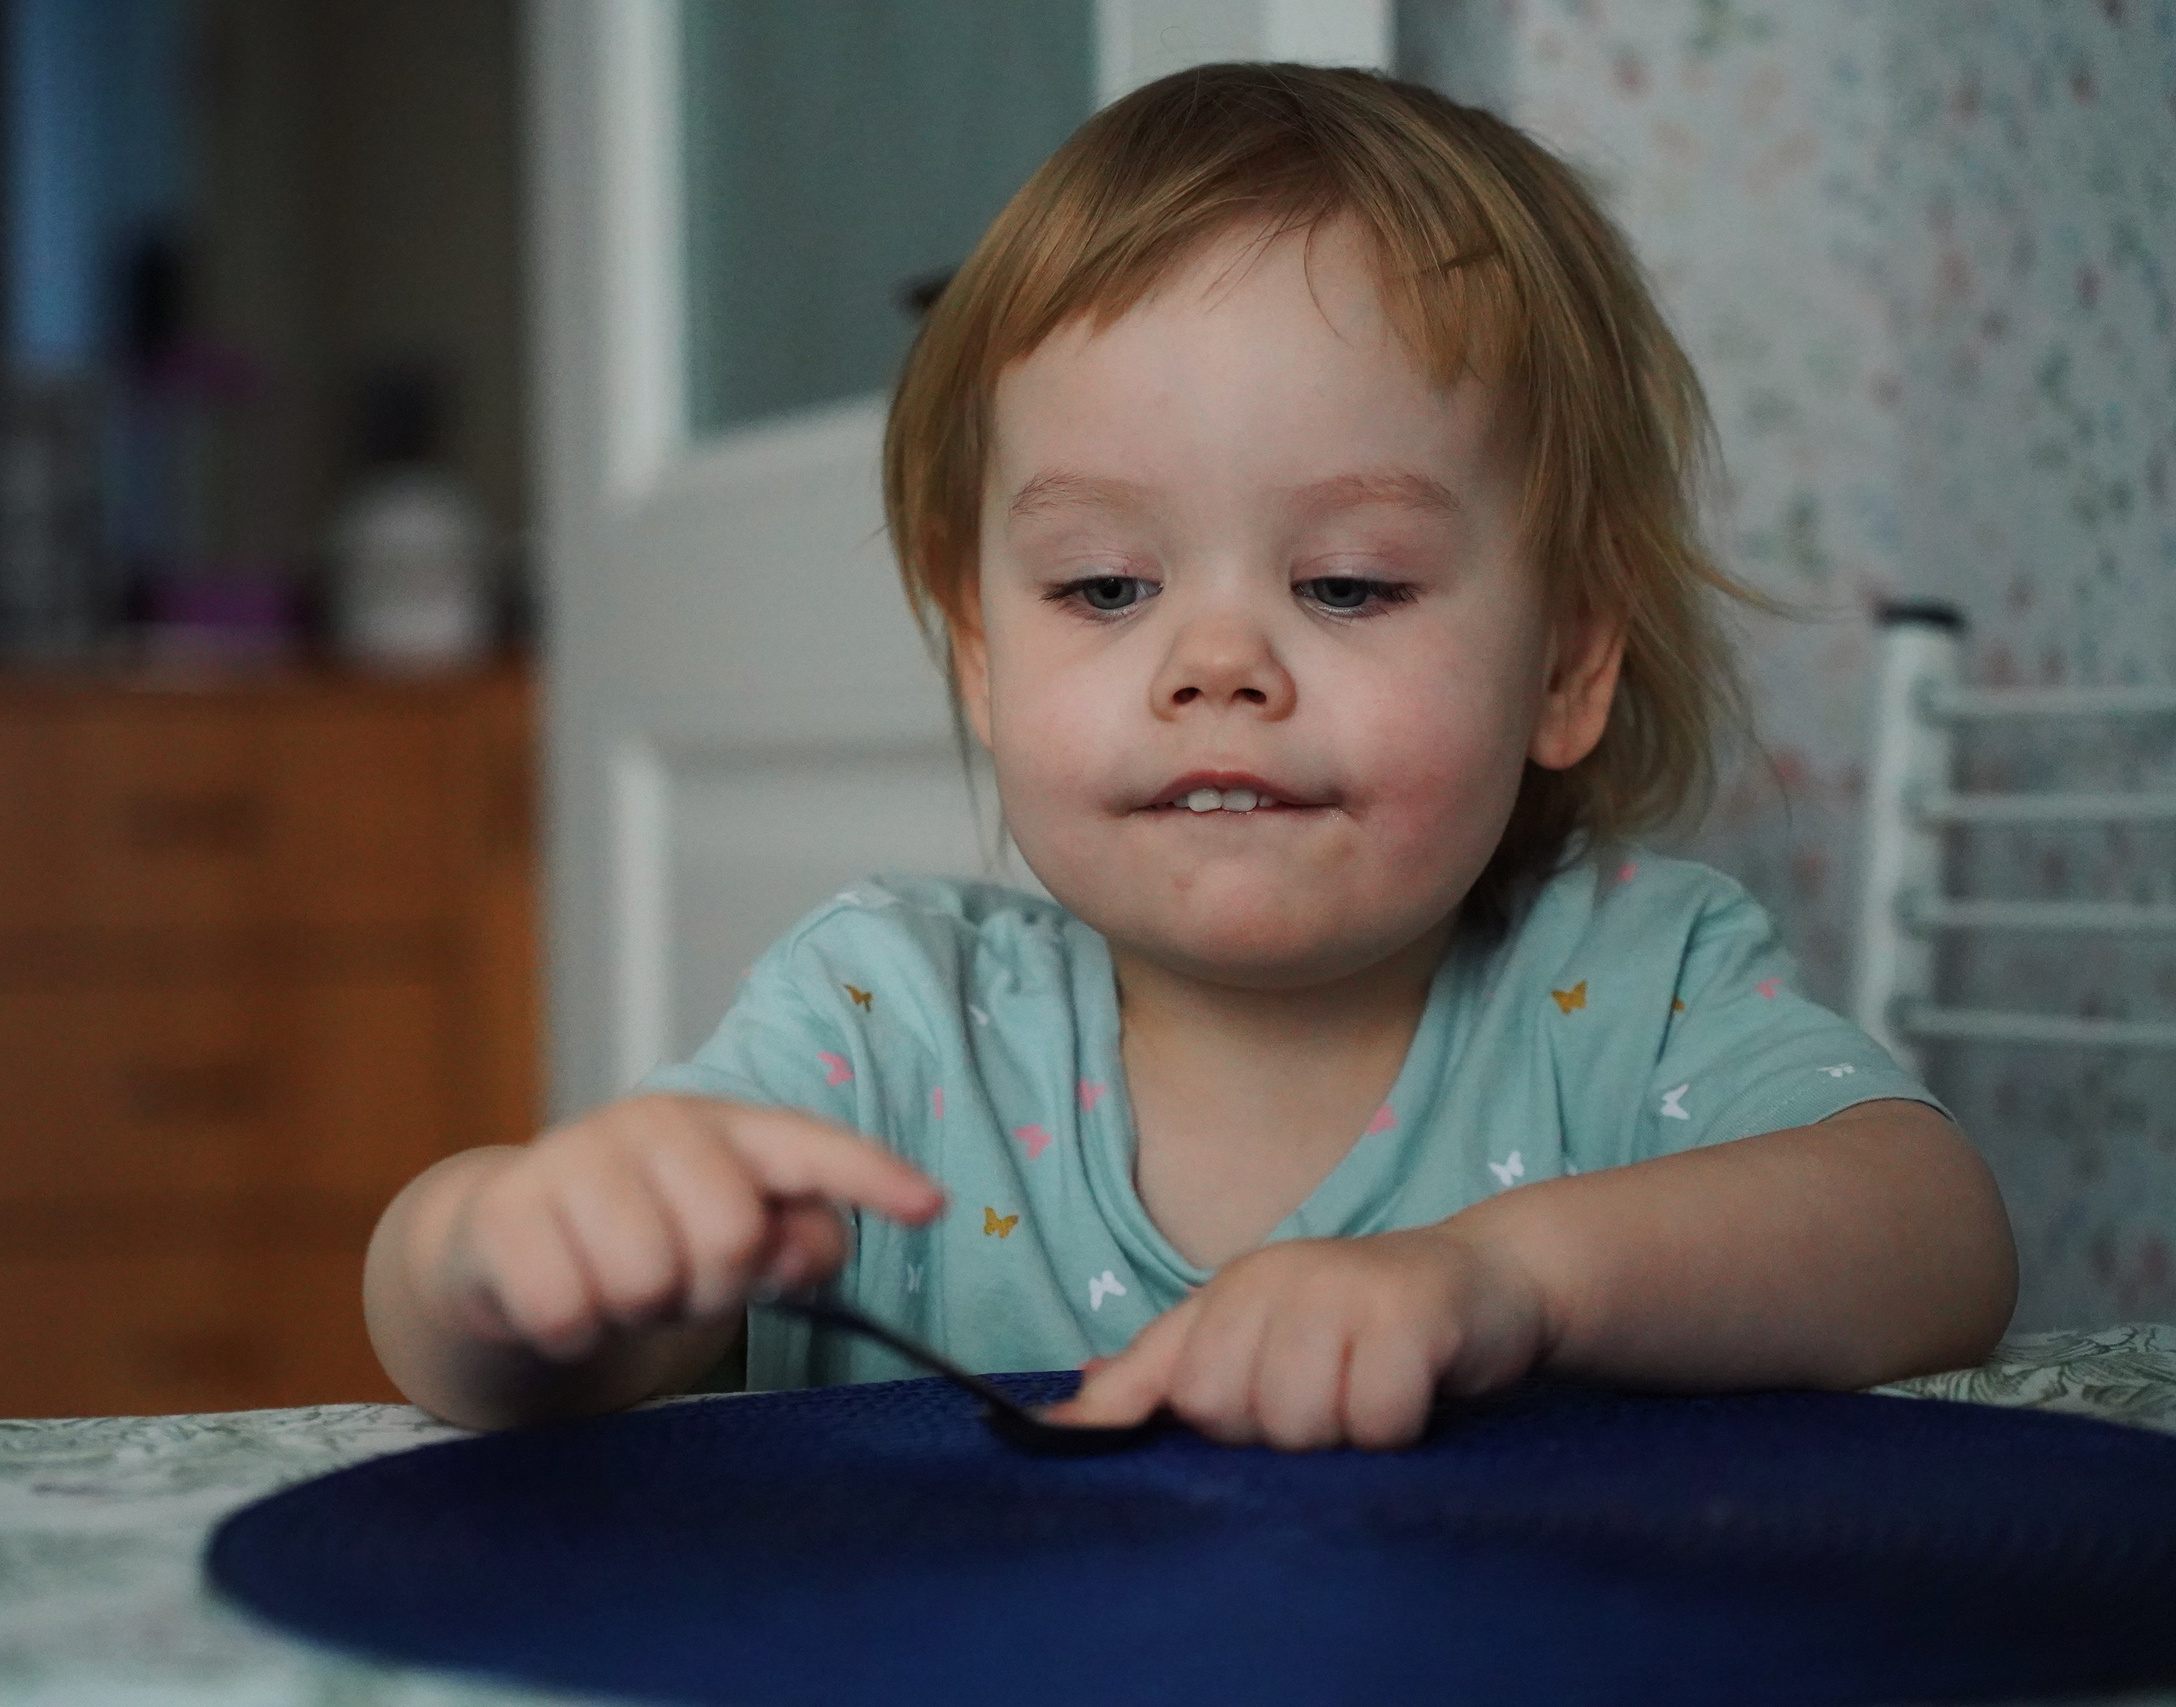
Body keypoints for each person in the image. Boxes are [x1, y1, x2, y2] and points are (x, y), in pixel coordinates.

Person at [363, 64, 2016, 1450]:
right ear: (986, 656)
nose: (1217, 663)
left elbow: (1939, 1236)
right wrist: (504, 1254)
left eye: (1349, 584)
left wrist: (1505, 1282)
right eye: (1105, 587)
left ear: (1568, 667)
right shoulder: (887, 1021)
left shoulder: (1622, 987)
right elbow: (473, 1362)